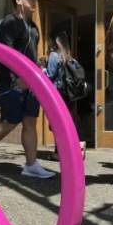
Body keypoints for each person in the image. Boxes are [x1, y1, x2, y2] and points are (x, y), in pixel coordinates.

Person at [0, 0, 55, 179]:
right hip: (12, 82)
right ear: (18, 0)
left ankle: (31, 164)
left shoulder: (33, 27)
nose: (34, 1)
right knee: (9, 122)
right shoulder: (9, 23)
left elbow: (30, 55)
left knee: (30, 122)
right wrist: (16, 79)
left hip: (30, 82)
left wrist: (37, 71)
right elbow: (4, 55)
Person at [45, 32, 87, 160]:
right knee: (68, 123)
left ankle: (60, 153)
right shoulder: (70, 57)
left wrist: (42, 70)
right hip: (70, 95)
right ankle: (75, 148)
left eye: (50, 40)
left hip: (58, 95)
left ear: (55, 42)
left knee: (57, 124)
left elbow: (49, 76)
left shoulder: (54, 55)